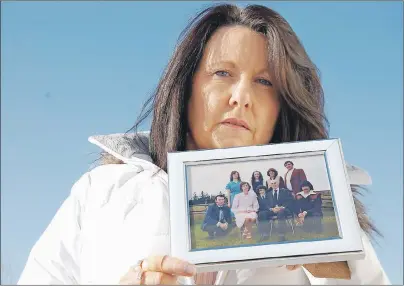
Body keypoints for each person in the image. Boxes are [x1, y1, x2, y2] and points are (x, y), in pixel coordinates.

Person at [17, 3, 390, 285]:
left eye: (265, 82)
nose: (240, 97)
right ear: (186, 85)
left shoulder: (330, 218)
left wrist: (341, 275)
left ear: (283, 105)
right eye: (222, 73)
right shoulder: (100, 194)